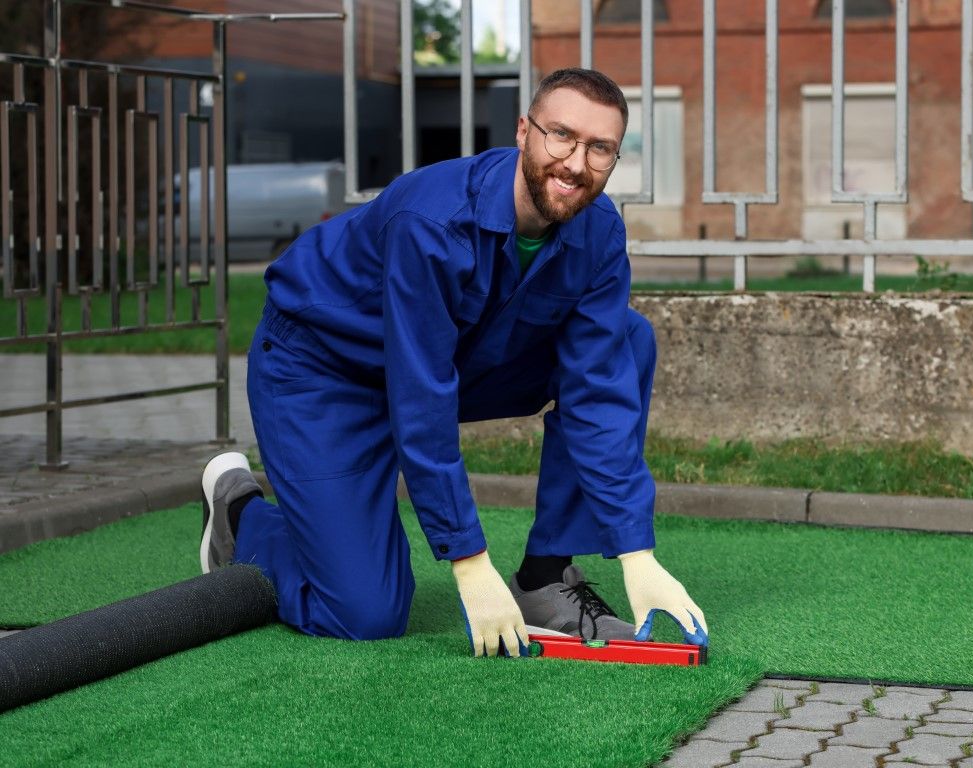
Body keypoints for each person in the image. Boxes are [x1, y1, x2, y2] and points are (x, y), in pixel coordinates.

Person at [199, 68, 708, 657]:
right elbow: (421, 395)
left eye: (600, 148)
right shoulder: (432, 221)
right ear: (524, 131)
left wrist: (635, 553)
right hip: (324, 369)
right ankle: (242, 515)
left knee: (628, 340)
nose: (574, 162)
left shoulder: (598, 233)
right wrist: (468, 561)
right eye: (561, 136)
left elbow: (599, 389)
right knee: (363, 611)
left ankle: (545, 576)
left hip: (455, 359)